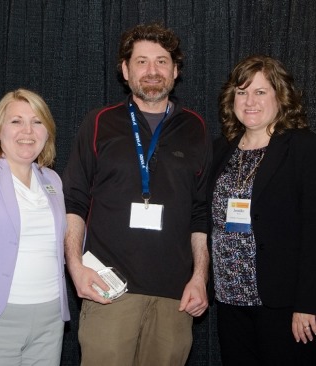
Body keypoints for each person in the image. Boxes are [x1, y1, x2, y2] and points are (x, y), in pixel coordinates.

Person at [63, 22, 212, 366]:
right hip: (109, 293)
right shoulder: (99, 122)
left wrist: (200, 277)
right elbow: (74, 200)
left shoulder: (196, 128)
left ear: (175, 71)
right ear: (126, 70)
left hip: (174, 298)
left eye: (161, 61)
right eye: (142, 61)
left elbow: (200, 213)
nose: (152, 71)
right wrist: (74, 266)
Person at [207, 54, 316, 365]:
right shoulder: (220, 150)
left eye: (260, 92)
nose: (249, 101)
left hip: (282, 303)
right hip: (229, 299)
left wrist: (307, 303)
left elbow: (313, 230)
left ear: (280, 96)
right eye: (241, 92)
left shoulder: (303, 148)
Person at [0, 89, 70, 366]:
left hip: (50, 319)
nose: (28, 130)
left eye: (37, 122)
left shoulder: (52, 180)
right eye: (16, 121)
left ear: (47, 132)